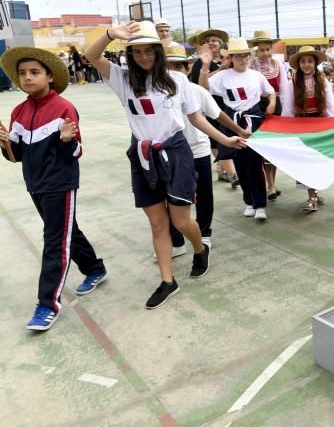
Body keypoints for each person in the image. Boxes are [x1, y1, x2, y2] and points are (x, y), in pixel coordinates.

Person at [84, 21, 246, 309]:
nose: (144, 57)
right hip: (143, 156)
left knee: (180, 221)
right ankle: (168, 281)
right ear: (130, 55)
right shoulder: (122, 79)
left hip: (176, 152)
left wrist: (225, 140)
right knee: (157, 223)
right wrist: (110, 35)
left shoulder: (177, 80)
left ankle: (199, 248)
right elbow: (91, 56)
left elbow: (196, 119)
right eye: (137, 52)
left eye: (149, 51)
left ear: (159, 52)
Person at [0, 47, 108, 331]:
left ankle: (47, 304)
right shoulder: (19, 111)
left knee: (54, 241)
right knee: (65, 230)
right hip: (34, 184)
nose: (27, 78)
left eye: (34, 72)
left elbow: (77, 151)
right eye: (22, 73)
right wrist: (4, 143)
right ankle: (95, 268)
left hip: (60, 183)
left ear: (49, 76)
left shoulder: (64, 108)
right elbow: (17, 156)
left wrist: (65, 140)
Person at [163, 44, 250, 258]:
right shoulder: (158, 92)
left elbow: (218, 114)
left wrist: (238, 131)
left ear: (185, 69)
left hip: (198, 150)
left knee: (203, 194)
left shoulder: (197, 91)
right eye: (169, 67)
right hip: (171, 154)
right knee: (171, 198)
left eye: (178, 67)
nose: (174, 72)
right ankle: (175, 242)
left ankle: (204, 232)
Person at [200, 37, 276, 221]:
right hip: (232, 122)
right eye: (239, 56)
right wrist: (204, 67)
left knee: (254, 164)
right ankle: (249, 201)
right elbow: (202, 87)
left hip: (254, 122)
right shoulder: (223, 76)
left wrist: (272, 103)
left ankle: (260, 204)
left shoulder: (256, 75)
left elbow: (270, 91)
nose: (243, 59)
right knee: (240, 164)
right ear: (231, 58)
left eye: (246, 56)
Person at [283, 46, 334, 211]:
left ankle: (315, 192)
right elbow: (288, 108)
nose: (306, 65)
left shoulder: (322, 80)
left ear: (315, 63)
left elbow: (330, 105)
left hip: (319, 124)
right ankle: (311, 196)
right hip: (301, 125)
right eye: (303, 61)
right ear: (298, 64)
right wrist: (286, 128)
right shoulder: (292, 82)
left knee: (317, 159)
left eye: (310, 61)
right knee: (305, 161)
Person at [190, 28, 238, 187]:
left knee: (225, 135)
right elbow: (198, 83)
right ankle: (232, 174)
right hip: (208, 104)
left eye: (215, 40)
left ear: (221, 43)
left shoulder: (228, 59)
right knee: (216, 140)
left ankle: (222, 169)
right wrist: (220, 69)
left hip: (227, 103)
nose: (211, 43)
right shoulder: (201, 62)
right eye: (208, 41)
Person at [247, 30, 284, 201]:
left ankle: (272, 183)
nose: (265, 53)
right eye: (261, 50)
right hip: (256, 107)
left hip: (275, 106)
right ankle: (266, 183)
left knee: (274, 147)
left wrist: (284, 111)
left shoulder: (278, 64)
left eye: (267, 49)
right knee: (260, 147)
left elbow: (284, 88)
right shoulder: (249, 65)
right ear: (255, 49)